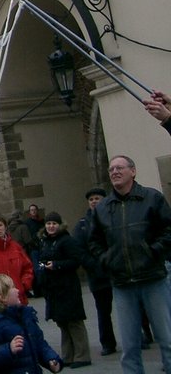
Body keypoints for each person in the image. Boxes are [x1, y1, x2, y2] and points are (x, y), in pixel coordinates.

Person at [88, 154, 171, 374]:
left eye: (119, 168)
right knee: (130, 347)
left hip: (153, 278)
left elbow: (168, 231)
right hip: (122, 282)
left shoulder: (152, 198)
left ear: (133, 172)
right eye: (111, 169)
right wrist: (107, 259)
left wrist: (153, 251)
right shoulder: (103, 208)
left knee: (168, 340)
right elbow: (94, 242)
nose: (114, 172)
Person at [0, 274, 62, 374]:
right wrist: (8, 349)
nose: (18, 290)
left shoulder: (24, 317)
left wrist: (50, 358)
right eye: (13, 288)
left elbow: (39, 343)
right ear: (2, 297)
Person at [38, 212, 90, 368]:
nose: (51, 226)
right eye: (48, 224)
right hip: (53, 288)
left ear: (59, 225)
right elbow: (41, 260)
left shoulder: (67, 240)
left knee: (74, 321)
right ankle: (68, 356)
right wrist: (43, 267)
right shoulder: (45, 241)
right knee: (62, 323)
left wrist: (56, 265)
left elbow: (76, 260)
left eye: (54, 223)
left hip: (68, 286)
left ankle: (82, 355)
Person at [72, 187, 117, 356]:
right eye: (91, 199)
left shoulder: (114, 218)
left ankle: (142, 335)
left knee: (130, 308)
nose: (94, 201)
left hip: (117, 271)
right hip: (97, 275)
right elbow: (79, 250)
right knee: (103, 312)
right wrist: (94, 265)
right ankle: (107, 343)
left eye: (97, 198)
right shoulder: (83, 225)